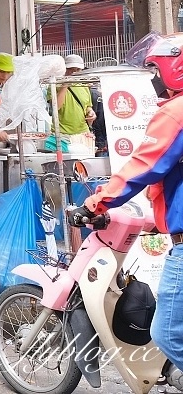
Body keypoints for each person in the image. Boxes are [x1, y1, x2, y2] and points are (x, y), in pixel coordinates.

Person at [81, 33, 183, 385]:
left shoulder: (176, 112)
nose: (153, 79)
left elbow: (145, 166)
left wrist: (101, 200)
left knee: (168, 334)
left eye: (154, 70)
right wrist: (160, 218)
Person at [51, 54, 95, 137]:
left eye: (78, 69)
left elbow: (88, 106)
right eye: (70, 69)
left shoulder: (83, 85)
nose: (74, 72)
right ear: (64, 69)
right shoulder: (54, 85)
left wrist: (91, 113)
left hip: (83, 132)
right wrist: (65, 84)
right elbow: (56, 107)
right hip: (62, 133)